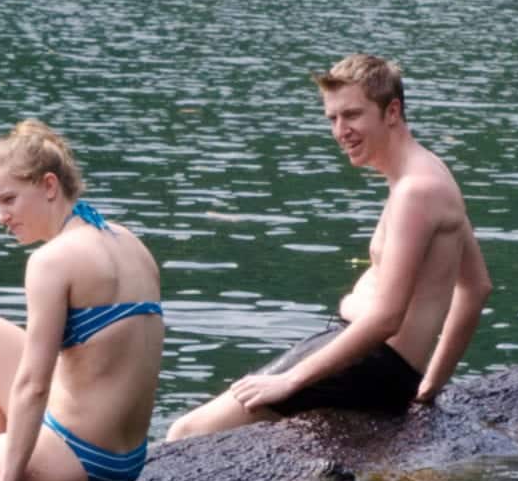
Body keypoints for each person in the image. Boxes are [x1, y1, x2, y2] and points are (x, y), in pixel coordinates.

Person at [167, 54, 490, 438]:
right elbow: (476, 286)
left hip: (372, 365)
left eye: (352, 115)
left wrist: (292, 381)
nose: (341, 131)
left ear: (392, 111)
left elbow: (388, 318)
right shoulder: (431, 173)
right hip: (380, 365)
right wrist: (430, 383)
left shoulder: (416, 193)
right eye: (332, 119)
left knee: (186, 432)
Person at [0, 121, 164, 481]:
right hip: (128, 455)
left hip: (82, 453)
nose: (0, 218)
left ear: (49, 186)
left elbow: (33, 383)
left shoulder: (51, 261)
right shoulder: (127, 239)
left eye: (9, 200)